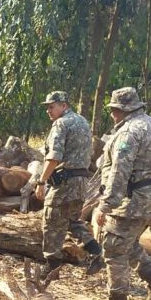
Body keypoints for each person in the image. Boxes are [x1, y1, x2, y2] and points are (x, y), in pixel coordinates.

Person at [92, 87, 151, 300]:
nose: (112, 115)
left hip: (134, 198)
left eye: (114, 110)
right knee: (128, 242)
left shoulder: (129, 132)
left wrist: (106, 205)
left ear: (123, 110)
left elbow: (120, 171)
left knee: (114, 248)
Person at [31, 91, 103, 274]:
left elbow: (54, 157)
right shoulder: (83, 122)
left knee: (50, 219)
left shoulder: (61, 124)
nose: (48, 110)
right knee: (71, 219)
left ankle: (51, 265)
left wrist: (41, 182)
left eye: (51, 106)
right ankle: (96, 251)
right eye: (47, 107)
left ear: (64, 105)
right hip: (81, 181)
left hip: (64, 181)